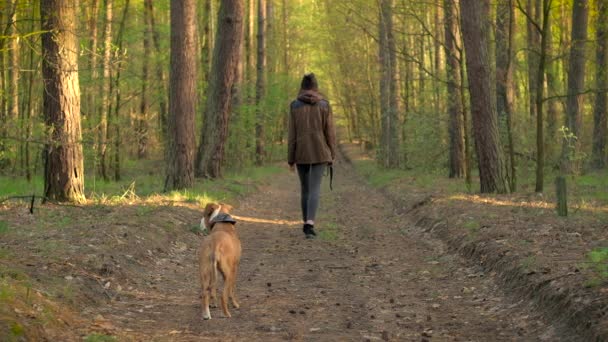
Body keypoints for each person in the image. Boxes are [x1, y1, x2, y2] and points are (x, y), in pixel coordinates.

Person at [288, 73, 336, 239]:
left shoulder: (294, 105)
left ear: (302, 87)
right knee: (315, 188)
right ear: (316, 87)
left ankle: (305, 223)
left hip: (301, 151)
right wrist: (332, 153)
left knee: (305, 189)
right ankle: (310, 223)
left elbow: (292, 134)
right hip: (320, 151)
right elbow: (330, 132)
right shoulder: (325, 105)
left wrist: (290, 158)